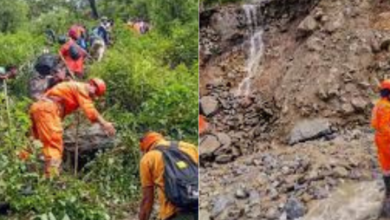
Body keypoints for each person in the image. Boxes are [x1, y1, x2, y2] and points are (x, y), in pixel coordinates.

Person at [29, 79, 115, 177]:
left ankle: (24, 166)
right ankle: (51, 177)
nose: (92, 97)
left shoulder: (73, 87)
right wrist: (105, 124)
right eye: (94, 93)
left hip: (39, 107)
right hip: (47, 110)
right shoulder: (81, 88)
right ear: (91, 84)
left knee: (33, 141)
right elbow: (90, 111)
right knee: (54, 143)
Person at [138, 132, 198, 220]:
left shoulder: (148, 158)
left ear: (144, 146)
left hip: (173, 213)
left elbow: (147, 199)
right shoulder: (190, 147)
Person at [371, 79, 390, 216]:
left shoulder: (378, 105)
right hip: (387, 140)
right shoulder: (386, 108)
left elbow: (375, 124)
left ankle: (388, 192)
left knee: (385, 166)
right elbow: (387, 128)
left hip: (380, 139)